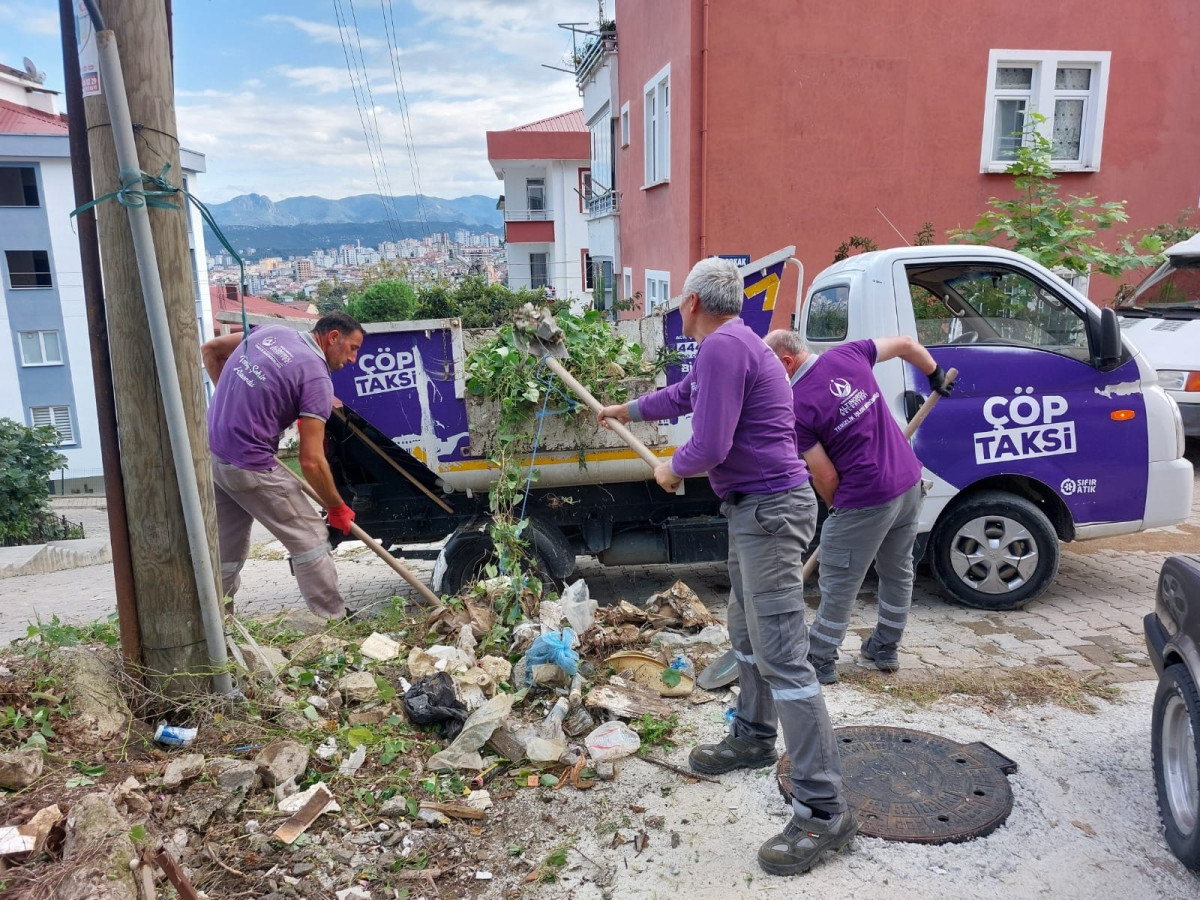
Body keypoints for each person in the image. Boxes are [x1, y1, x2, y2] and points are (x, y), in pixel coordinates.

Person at [597, 258, 855, 876]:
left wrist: (671, 467)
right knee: (746, 636)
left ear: (689, 303)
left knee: (784, 654)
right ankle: (753, 735)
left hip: (768, 510)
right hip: (753, 511)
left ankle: (824, 810)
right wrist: (624, 411)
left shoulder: (722, 348)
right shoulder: (731, 345)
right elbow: (682, 397)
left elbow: (707, 446)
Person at [763, 329, 953, 684]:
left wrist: (839, 510)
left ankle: (819, 656)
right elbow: (907, 345)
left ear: (787, 362)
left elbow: (825, 475)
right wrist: (934, 374)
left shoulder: (797, 405)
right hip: (908, 482)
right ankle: (886, 646)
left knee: (839, 578)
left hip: (865, 495)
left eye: (769, 367)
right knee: (898, 569)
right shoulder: (847, 355)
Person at [201, 311, 364, 618]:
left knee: (225, 549)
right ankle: (334, 617)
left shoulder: (271, 333)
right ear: (332, 338)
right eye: (353, 347)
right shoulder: (316, 378)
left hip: (214, 455)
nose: (353, 358)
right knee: (311, 538)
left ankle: (212, 620)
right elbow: (312, 461)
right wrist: (337, 508)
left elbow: (211, 349)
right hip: (249, 464)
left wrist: (238, 403)